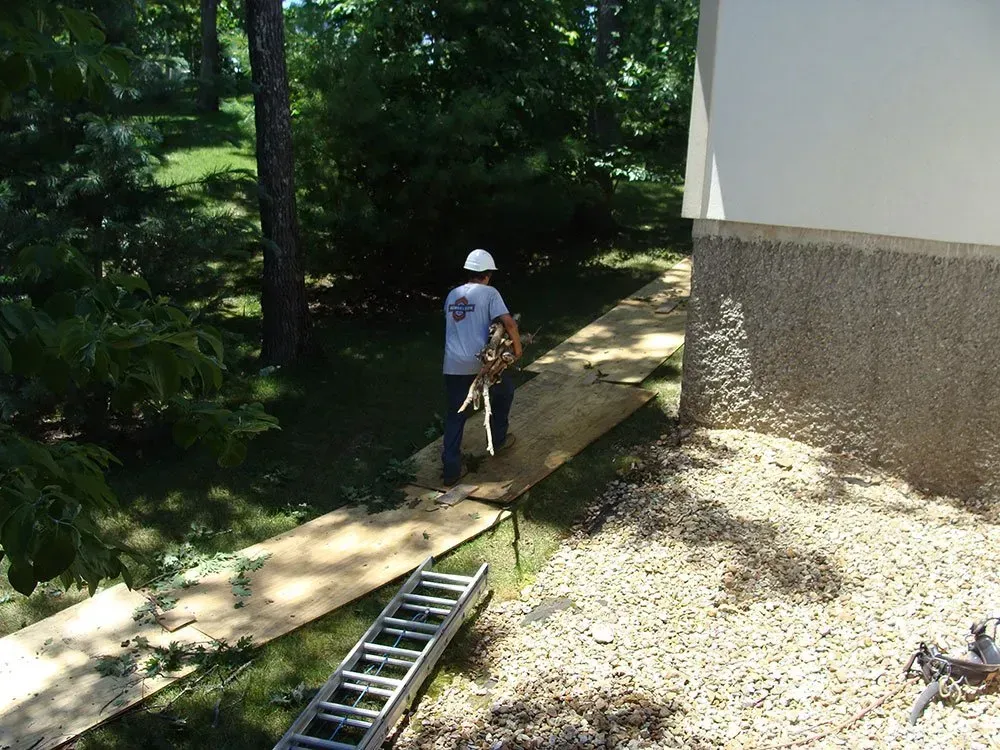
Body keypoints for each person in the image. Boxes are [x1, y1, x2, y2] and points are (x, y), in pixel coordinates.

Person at [441, 249, 523, 486]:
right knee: (504, 393)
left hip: (453, 364)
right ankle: (498, 440)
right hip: (484, 364)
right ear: (487, 274)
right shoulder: (490, 293)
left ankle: (451, 470)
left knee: (455, 414)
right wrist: (517, 348)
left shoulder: (452, 295)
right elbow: (508, 322)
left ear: (469, 272)